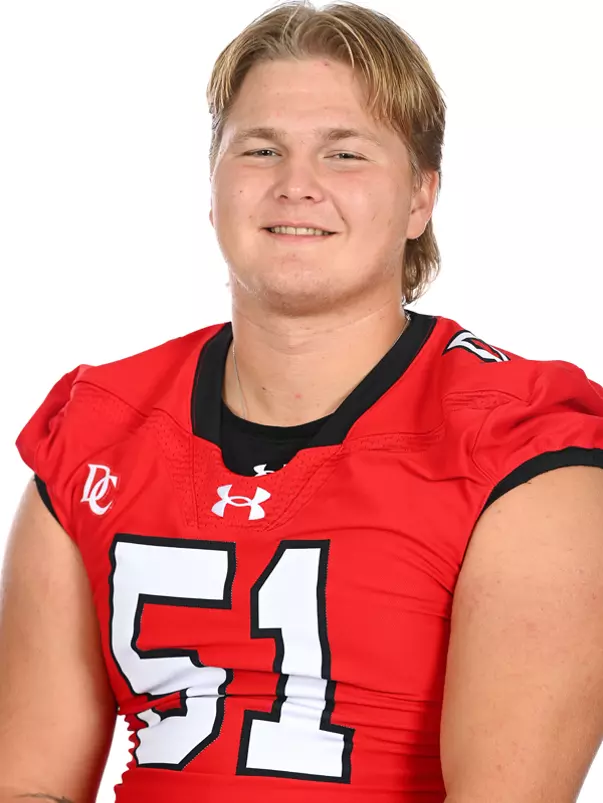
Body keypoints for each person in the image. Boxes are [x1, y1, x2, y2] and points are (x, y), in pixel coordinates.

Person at [2, 1, 603, 801]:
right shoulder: (98, 424)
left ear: (420, 198)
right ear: (213, 186)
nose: (296, 185)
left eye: (344, 154)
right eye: (260, 149)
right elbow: (29, 781)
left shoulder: (523, 445)